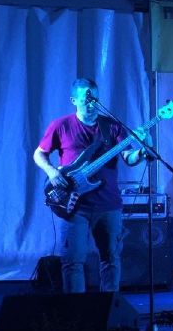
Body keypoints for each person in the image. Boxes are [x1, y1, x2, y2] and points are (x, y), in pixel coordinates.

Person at [33, 77, 150, 293]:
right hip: (74, 205)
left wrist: (142, 152)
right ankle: (77, 310)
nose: (91, 103)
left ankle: (108, 308)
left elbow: (129, 158)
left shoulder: (112, 126)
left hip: (108, 204)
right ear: (74, 100)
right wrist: (51, 171)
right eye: (86, 99)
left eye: (94, 98)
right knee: (73, 262)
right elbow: (39, 154)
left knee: (111, 259)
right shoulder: (61, 125)